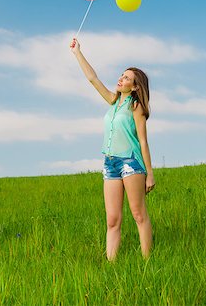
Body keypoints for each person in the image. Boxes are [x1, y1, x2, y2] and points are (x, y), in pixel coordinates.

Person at [69, 37, 155, 261]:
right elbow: (92, 78)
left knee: (138, 214)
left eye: (127, 77)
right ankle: (111, 264)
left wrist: (150, 174)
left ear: (135, 86)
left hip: (131, 162)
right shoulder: (113, 100)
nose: (121, 78)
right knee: (112, 219)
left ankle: (148, 262)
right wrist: (78, 52)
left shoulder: (136, 107)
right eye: (122, 74)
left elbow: (143, 141)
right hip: (110, 163)